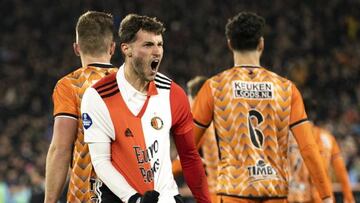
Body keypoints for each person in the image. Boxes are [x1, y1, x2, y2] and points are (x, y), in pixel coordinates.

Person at [191, 12, 333, 203]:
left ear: (230, 44)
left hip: (234, 191)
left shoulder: (214, 87)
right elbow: (308, 148)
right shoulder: (287, 89)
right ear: (261, 44)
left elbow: (188, 144)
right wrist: (326, 195)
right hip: (274, 191)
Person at [81, 13, 211, 203]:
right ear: (127, 49)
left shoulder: (173, 94)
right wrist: (134, 199)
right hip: (121, 198)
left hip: (166, 197)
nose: (157, 51)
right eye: (148, 45)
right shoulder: (98, 96)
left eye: (160, 44)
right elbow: (101, 161)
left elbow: (189, 156)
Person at [44, 11, 118, 203]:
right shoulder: (131, 83)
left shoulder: (69, 85)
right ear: (112, 48)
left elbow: (60, 149)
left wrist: (49, 201)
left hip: (84, 195)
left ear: (77, 48)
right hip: (129, 193)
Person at [172, 76, 218, 203]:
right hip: (235, 191)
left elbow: (183, 160)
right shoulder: (224, 120)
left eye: (189, 97)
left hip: (214, 194)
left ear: (196, 99)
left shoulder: (201, 125)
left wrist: (161, 175)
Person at [288, 124, 355, 203]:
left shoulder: (292, 137)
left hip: (300, 194)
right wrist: (349, 197)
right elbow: (341, 170)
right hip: (326, 196)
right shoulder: (328, 138)